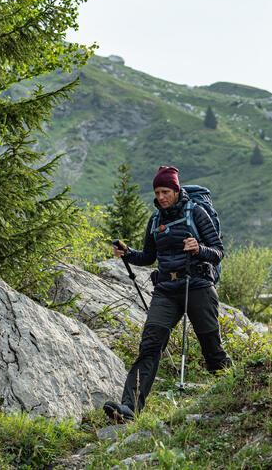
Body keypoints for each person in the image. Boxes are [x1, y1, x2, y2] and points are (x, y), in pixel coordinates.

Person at [103, 166, 232, 423]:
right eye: (157, 192)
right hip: (165, 290)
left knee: (212, 349)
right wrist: (127, 253)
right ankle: (129, 408)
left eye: (165, 191)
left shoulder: (196, 212)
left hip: (197, 287)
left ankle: (234, 392)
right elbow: (149, 257)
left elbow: (218, 251)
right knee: (150, 346)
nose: (160, 197)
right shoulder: (154, 220)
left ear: (175, 190)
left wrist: (199, 249)